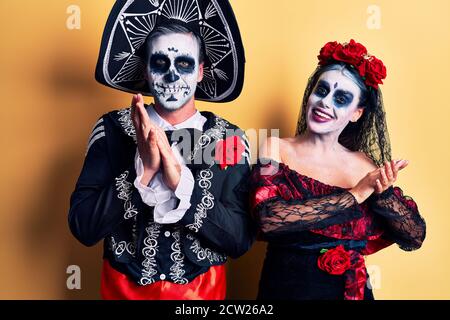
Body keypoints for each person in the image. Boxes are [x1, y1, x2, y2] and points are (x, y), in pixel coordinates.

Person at [68, 0, 254, 300]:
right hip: (122, 291)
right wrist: (141, 173)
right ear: (146, 70)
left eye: (184, 63)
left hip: (201, 295)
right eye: (160, 63)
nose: (171, 75)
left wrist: (182, 185)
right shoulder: (112, 130)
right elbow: (83, 227)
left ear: (200, 72)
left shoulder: (229, 139)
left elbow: (240, 240)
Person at [249, 40, 426, 300]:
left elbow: (414, 236)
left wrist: (384, 195)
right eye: (321, 90)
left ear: (357, 113)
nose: (325, 103)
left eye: (341, 98)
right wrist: (355, 193)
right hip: (287, 289)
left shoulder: (363, 164)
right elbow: (269, 218)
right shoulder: (276, 147)